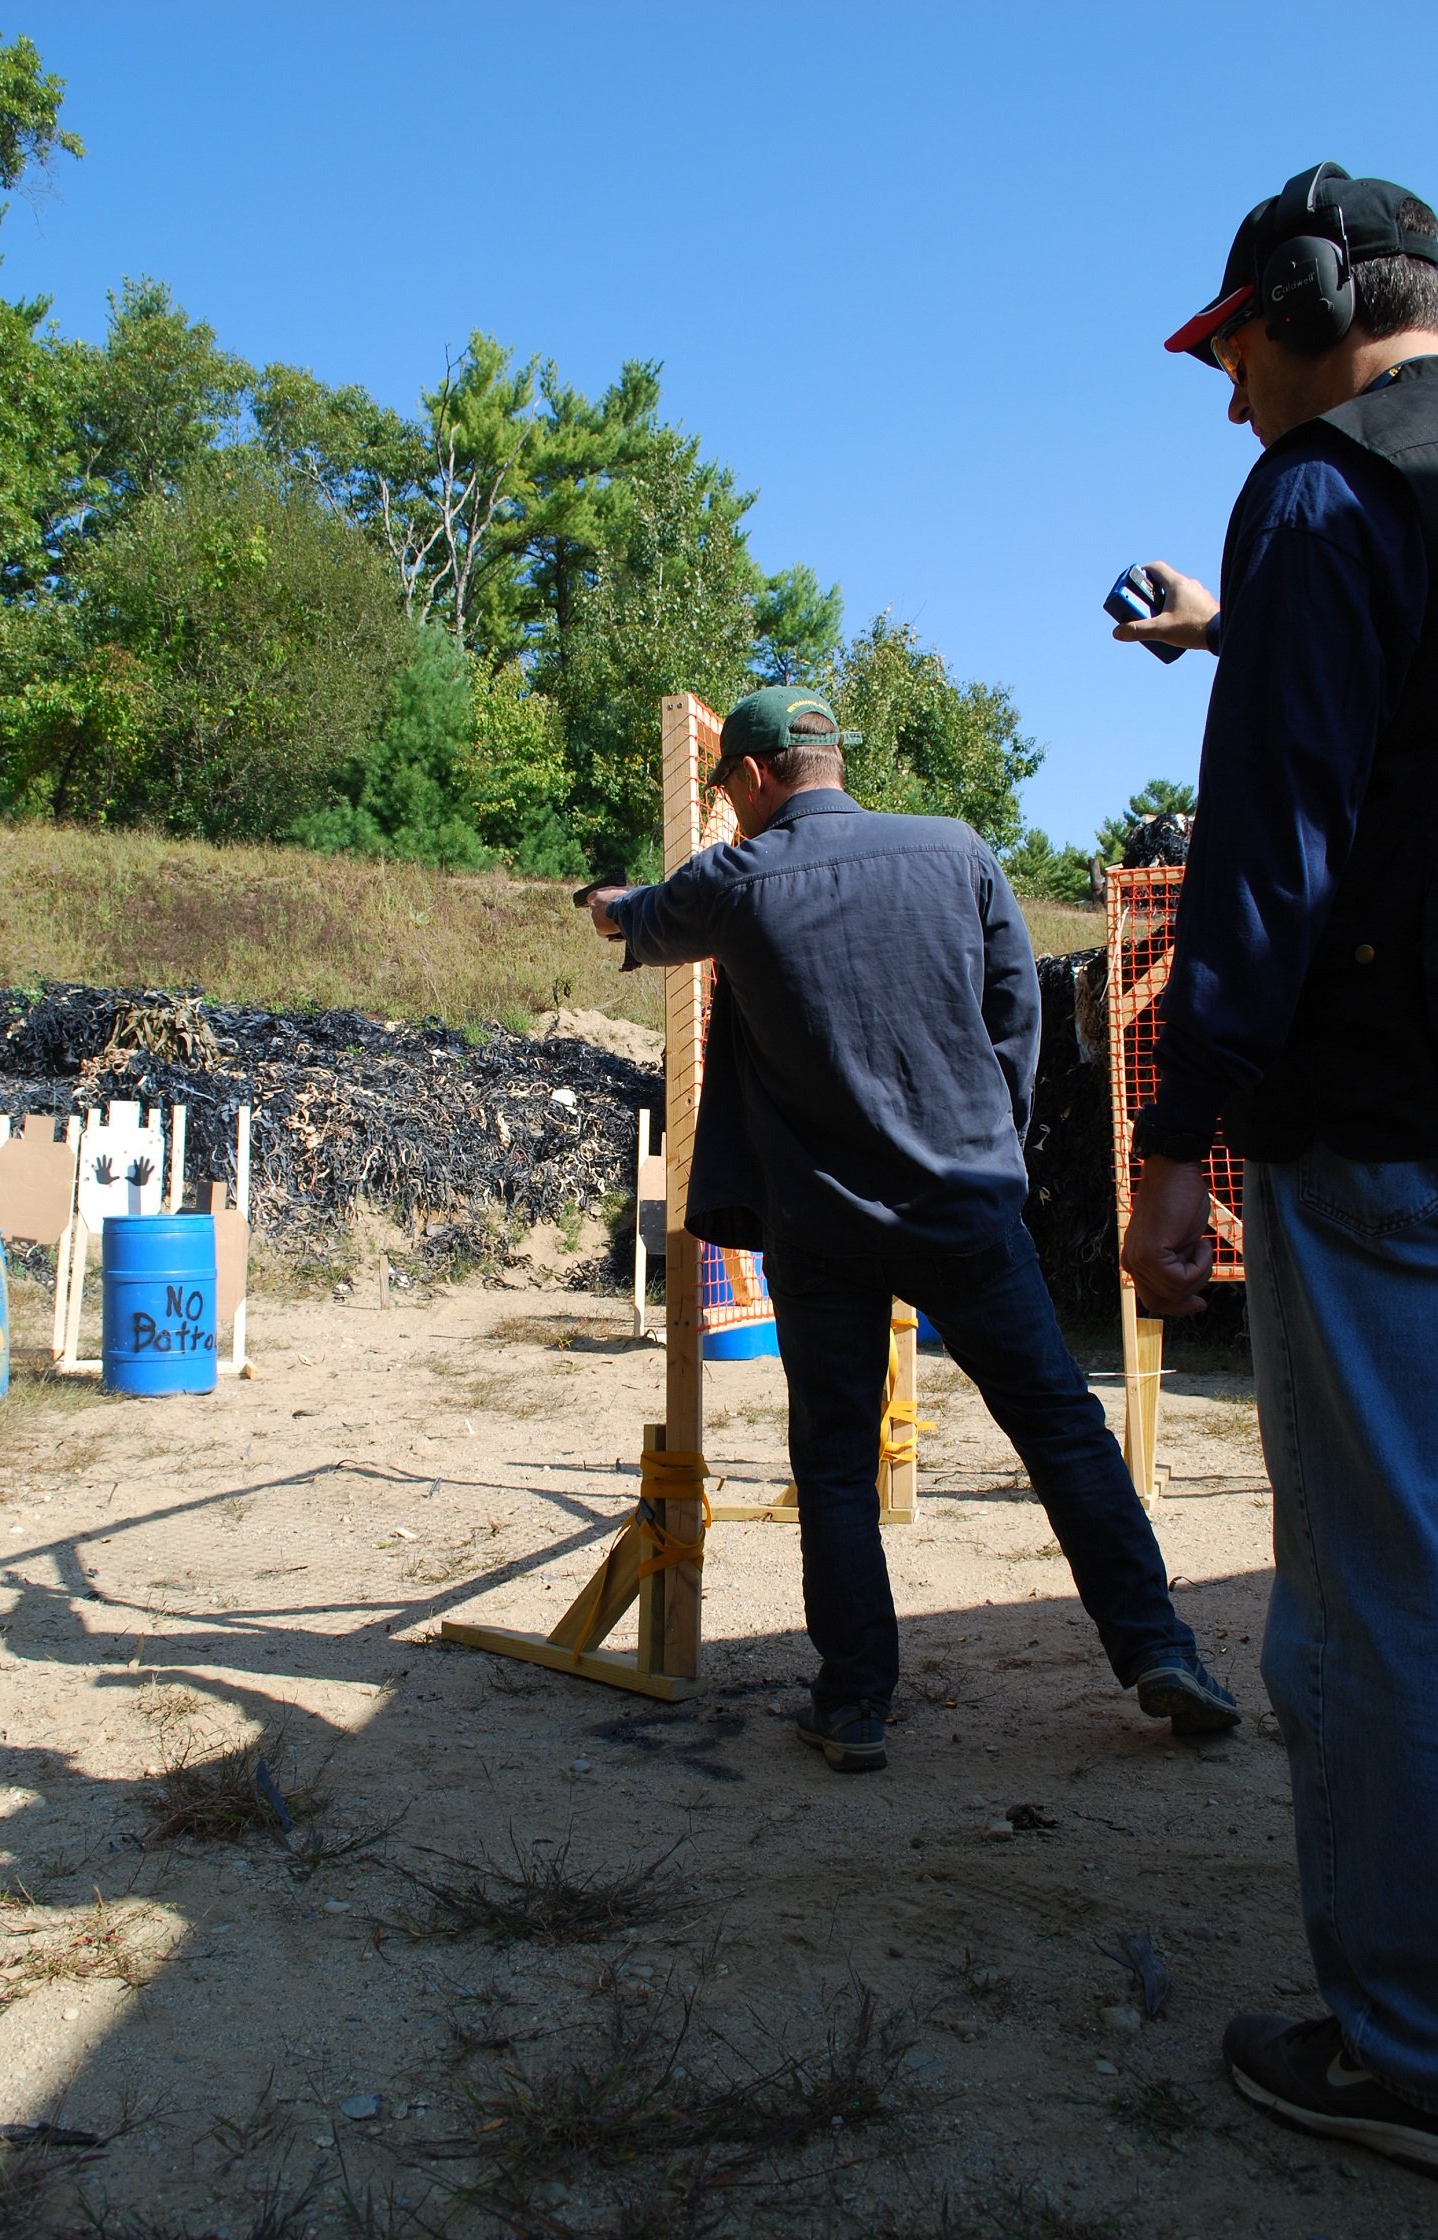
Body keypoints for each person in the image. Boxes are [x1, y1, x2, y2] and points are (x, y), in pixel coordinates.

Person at [585, 684, 1237, 1776]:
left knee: (835, 1463)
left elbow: (641, 921)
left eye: (728, 793)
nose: (729, 810)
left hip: (823, 1226)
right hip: (967, 1204)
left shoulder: (734, 879)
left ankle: (853, 1705)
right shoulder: (957, 851)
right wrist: (986, 1137)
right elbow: (1014, 1015)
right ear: (831, 758)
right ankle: (1159, 1648)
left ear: (750, 777)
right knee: (1066, 1432)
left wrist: (603, 901)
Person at [1118, 163, 1438, 2177]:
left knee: (1376, 1605)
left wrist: (1178, 1140)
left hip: (1392, 1137)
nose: (1232, 401)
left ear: (1309, 303)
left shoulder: (1326, 492)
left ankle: (1406, 2050)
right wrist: (1255, 623)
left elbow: (1276, 854)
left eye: (1236, 350)